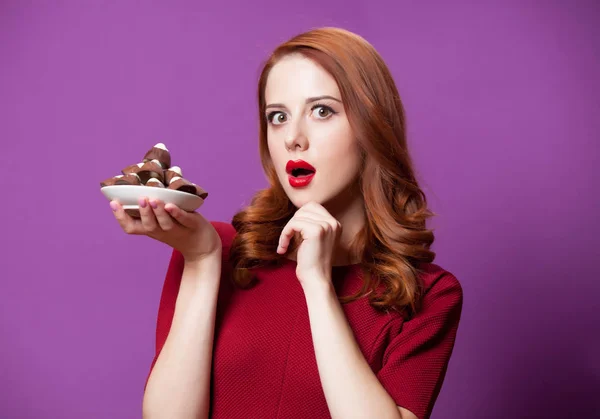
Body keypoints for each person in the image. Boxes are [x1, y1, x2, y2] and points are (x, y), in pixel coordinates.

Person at [109, 27, 463, 419]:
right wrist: (202, 260)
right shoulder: (215, 248)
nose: (293, 138)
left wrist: (317, 284)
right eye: (278, 117)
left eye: (322, 110)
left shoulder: (428, 295)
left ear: (372, 127)